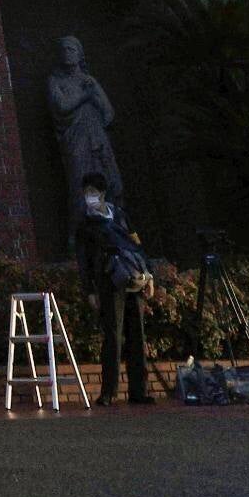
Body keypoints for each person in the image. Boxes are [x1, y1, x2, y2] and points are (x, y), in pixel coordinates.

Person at [70, 172, 156, 407]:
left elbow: (137, 246)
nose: (90, 197)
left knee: (137, 335)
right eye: (87, 193)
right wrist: (90, 290)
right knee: (113, 336)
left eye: (93, 193)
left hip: (133, 279)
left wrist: (149, 276)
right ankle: (109, 391)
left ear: (103, 193)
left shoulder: (120, 216)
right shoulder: (85, 224)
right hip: (108, 282)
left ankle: (139, 390)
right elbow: (83, 260)